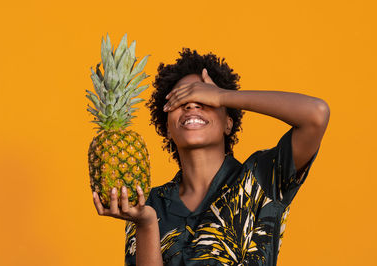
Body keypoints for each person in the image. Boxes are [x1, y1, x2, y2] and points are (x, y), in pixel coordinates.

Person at [93, 48, 330, 265]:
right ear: (166, 127)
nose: (191, 106)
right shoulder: (147, 203)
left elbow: (316, 115)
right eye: (180, 100)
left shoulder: (261, 177)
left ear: (229, 123)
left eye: (204, 99)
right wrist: (145, 224)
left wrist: (221, 96)